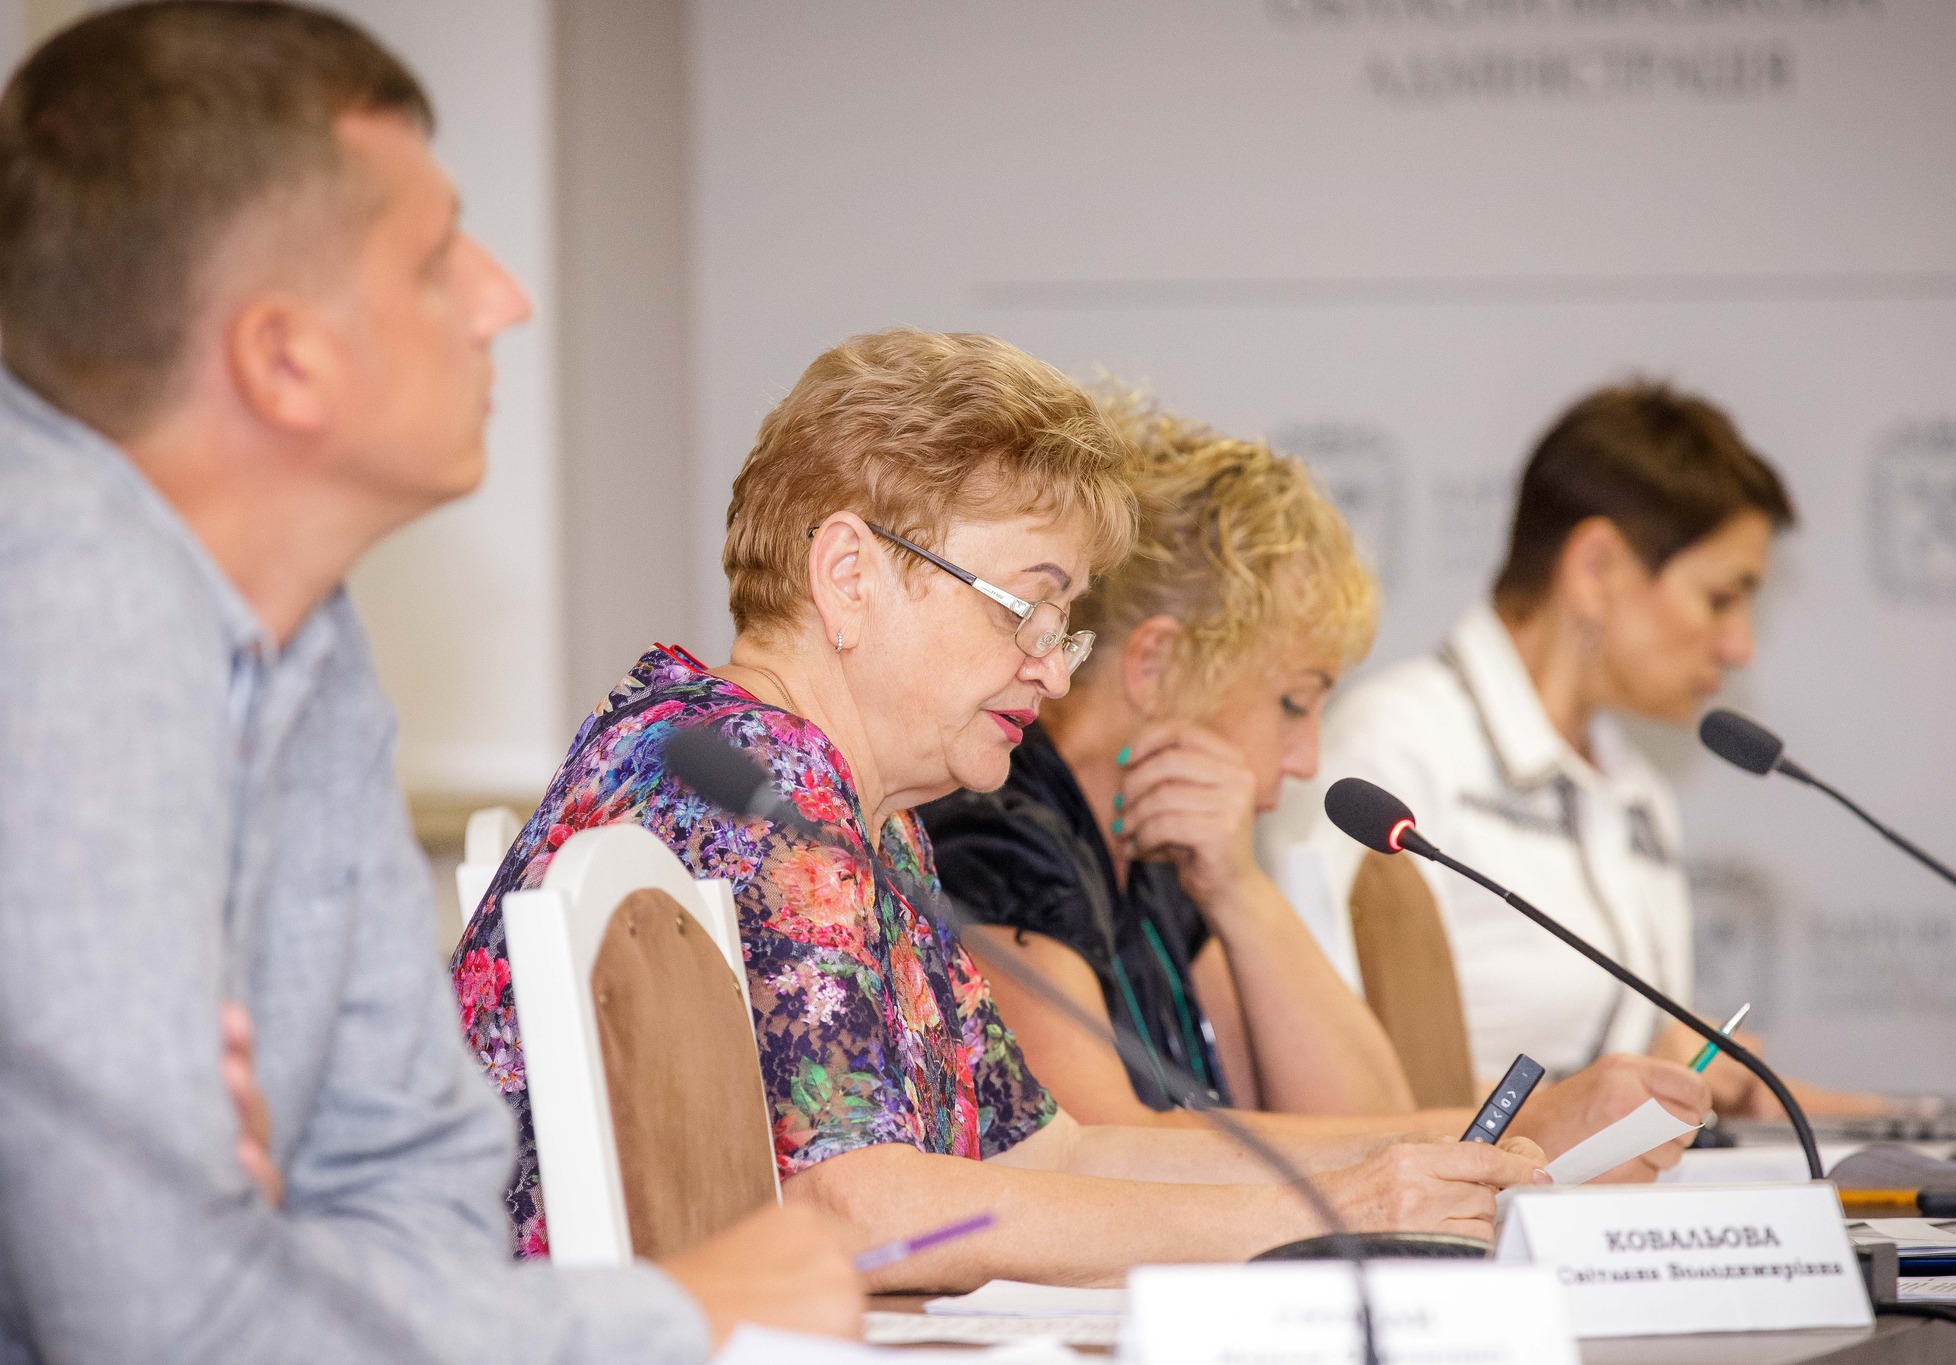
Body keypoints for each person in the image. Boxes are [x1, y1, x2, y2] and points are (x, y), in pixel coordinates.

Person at [0, 5, 860, 1362]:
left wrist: (266, 1253)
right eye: (433, 258)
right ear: (283, 358)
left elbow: (419, 1183)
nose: (503, 299)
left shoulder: (302, 625)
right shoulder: (62, 619)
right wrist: (688, 1310)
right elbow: (164, 1320)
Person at [452, 329, 1551, 1294]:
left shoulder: (868, 816)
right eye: (1027, 607)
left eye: (1062, 626)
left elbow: (1051, 1153)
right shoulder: (757, 780)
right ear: (849, 575)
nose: (1054, 671)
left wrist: (1385, 1177)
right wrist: (1323, 1215)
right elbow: (856, 1207)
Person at [920, 395, 1708, 1176]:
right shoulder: (996, 832)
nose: (1306, 759)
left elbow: (1360, 1113)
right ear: (1156, 665)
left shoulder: (1158, 840)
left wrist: (1239, 888)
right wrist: (1530, 1127)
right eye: (1293, 704)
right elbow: (1093, 1159)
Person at [1266, 381, 1877, 1118]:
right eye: (1720, 598)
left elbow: (1626, 1071)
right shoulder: (1392, 745)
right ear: (1595, 569)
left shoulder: (1637, 789)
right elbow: (1325, 1087)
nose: (1739, 646)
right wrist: (1592, 1101)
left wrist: (1916, 1125)